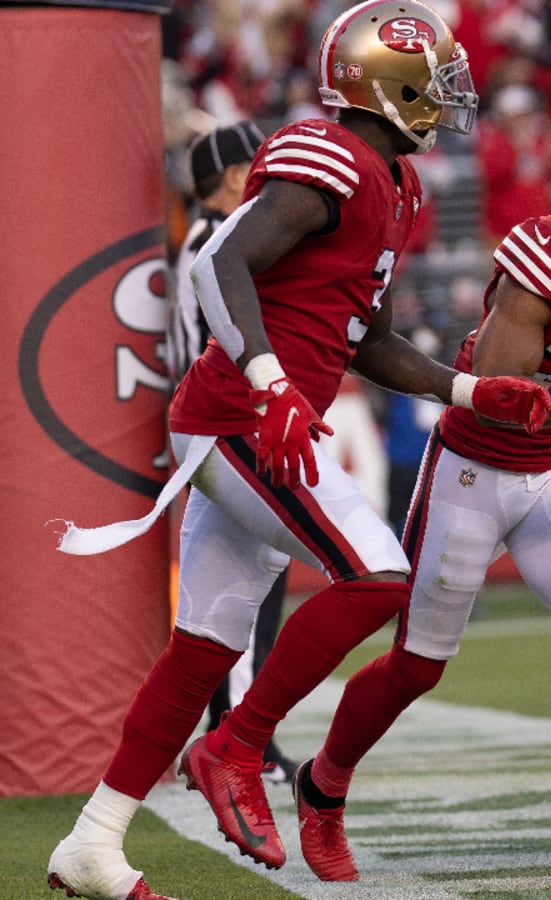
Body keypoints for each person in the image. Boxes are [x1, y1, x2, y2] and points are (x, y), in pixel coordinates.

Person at [47, 4, 551, 899]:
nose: (447, 102)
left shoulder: (394, 183)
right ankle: (237, 746)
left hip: (263, 414)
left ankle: (93, 843)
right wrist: (273, 382)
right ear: (383, 85)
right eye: (432, 85)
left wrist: (469, 389)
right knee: (376, 577)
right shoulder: (327, 155)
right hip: (242, 414)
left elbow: (367, 337)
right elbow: (218, 266)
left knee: (204, 646)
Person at [289, 119, 551, 887]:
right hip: (472, 470)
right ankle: (323, 786)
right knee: (417, 668)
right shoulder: (545, 256)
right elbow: (498, 396)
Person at [166, 120, 299, 786]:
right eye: (255, 164)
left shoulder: (209, 238)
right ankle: (236, 744)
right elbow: (212, 340)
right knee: (242, 596)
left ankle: (234, 741)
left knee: (247, 589)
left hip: (224, 425)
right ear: (232, 177)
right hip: (227, 424)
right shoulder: (214, 243)